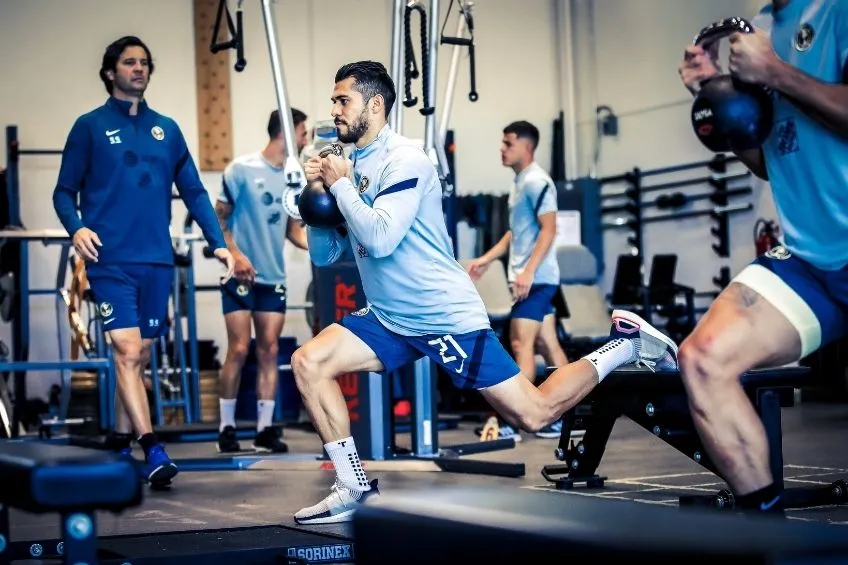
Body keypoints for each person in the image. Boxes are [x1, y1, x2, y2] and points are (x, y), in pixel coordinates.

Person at [290, 60, 679, 525]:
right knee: (309, 362)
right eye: (333, 100)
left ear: (375, 105)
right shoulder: (347, 164)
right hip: (390, 316)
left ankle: (626, 345)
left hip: (442, 315)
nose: (333, 110)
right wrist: (312, 196)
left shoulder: (406, 159)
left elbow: (379, 238)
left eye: (342, 100)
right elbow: (326, 254)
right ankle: (352, 484)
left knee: (534, 413)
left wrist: (339, 185)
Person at [676, 0, 848, 516]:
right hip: (809, 261)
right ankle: (769, 532)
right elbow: (775, 161)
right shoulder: (772, 28)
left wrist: (774, 71)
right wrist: (710, 92)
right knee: (704, 360)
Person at [52, 36, 234, 487]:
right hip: (109, 259)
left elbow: (193, 191)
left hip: (156, 261)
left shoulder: (167, 129)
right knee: (128, 351)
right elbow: (62, 191)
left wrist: (218, 244)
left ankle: (118, 438)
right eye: (129, 62)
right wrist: (76, 227)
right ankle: (153, 448)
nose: (139, 68)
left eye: (145, 62)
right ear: (110, 71)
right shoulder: (89, 127)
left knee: (139, 354)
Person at [214, 108, 310, 453]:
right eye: (303, 132)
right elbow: (218, 219)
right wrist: (236, 256)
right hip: (238, 275)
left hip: (273, 277)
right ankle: (226, 428)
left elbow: (293, 229)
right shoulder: (240, 169)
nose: (307, 138)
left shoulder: (293, 177)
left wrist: (323, 250)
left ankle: (265, 429)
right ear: (286, 131)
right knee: (239, 348)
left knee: (269, 351)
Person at [467, 120, 570, 441]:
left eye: (508, 143)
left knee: (519, 344)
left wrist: (527, 272)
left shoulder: (538, 182)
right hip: (533, 278)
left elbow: (548, 230)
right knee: (547, 345)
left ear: (527, 147)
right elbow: (517, 232)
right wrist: (486, 259)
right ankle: (568, 414)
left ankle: (519, 417)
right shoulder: (520, 182)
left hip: (536, 280)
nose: (502, 148)